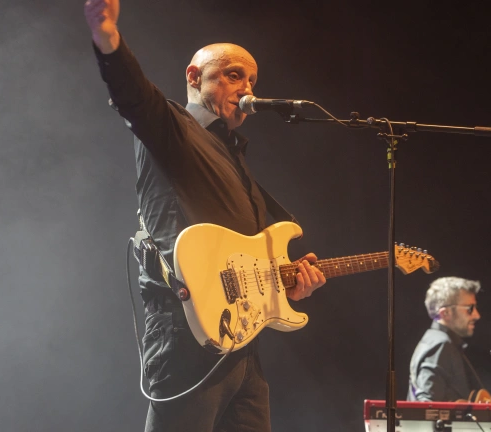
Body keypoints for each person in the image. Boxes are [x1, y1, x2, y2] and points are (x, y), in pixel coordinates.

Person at [83, 1, 327, 431]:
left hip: (240, 342)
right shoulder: (173, 127)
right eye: (233, 74)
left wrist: (288, 281)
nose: (246, 87)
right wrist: (108, 38)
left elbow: (244, 258)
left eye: (251, 79)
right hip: (186, 333)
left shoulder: (234, 155)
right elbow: (133, 95)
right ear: (195, 77)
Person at [407, 276, 491, 402]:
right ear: (445, 313)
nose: (477, 315)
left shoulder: (437, 341)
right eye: (470, 308)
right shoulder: (440, 344)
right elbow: (426, 404)